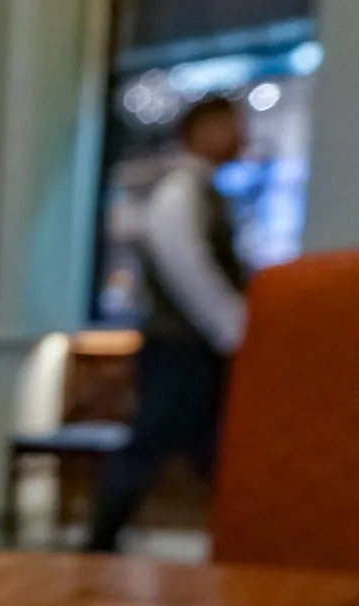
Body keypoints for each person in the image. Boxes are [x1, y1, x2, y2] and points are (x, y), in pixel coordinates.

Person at [88, 96, 249, 553]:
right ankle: (97, 545)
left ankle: (248, 536)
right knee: (152, 444)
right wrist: (234, 329)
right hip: (179, 345)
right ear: (200, 129)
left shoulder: (196, 188)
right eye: (231, 125)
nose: (241, 136)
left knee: (210, 450)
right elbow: (188, 267)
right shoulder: (181, 189)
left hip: (187, 345)